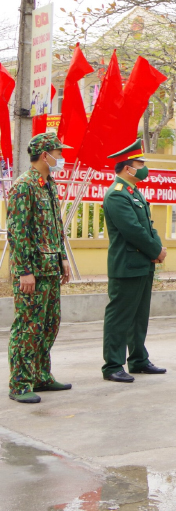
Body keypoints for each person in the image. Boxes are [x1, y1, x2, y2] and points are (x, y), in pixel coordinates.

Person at [7, 132, 72, 404]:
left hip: (50, 269)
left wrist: (63, 259)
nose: (60, 157)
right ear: (45, 155)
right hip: (32, 271)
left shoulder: (48, 184)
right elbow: (17, 231)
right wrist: (24, 271)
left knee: (48, 324)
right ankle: (20, 383)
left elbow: (55, 228)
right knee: (28, 327)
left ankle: (41, 376)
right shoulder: (24, 186)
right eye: (57, 153)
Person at [101, 140, 167, 383]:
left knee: (139, 315)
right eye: (140, 164)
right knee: (120, 316)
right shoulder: (117, 195)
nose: (143, 168)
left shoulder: (133, 192)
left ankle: (138, 360)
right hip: (126, 265)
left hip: (142, 263)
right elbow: (132, 230)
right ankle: (112, 365)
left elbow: (147, 226)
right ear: (127, 168)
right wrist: (155, 250)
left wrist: (157, 248)